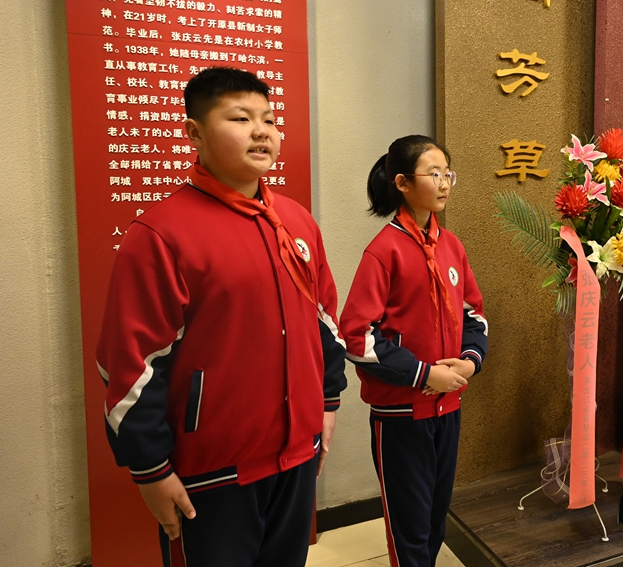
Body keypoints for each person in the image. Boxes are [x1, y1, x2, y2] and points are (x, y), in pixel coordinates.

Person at [96, 66, 347, 567]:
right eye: (240, 118)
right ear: (194, 132)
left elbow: (324, 320)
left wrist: (327, 400)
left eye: (269, 119)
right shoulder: (162, 234)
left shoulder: (297, 221)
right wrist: (150, 469)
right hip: (209, 473)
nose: (262, 131)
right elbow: (130, 364)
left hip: (296, 457)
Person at [340, 135, 488, 567]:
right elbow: (356, 335)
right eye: (433, 173)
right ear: (402, 183)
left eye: (448, 173)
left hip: (449, 407)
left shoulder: (451, 245)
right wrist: (424, 374)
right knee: (410, 528)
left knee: (436, 521)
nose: (444, 183)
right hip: (401, 415)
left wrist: (469, 362)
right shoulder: (384, 250)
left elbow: (474, 315)